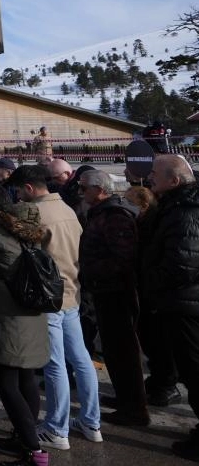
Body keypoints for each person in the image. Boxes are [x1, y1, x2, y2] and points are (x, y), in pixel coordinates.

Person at [8, 165, 101, 451]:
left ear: (28, 188)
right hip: (71, 291)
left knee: (55, 364)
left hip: (48, 296)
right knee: (81, 359)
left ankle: (56, 428)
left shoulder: (37, 214)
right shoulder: (68, 209)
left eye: (18, 191)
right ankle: (91, 421)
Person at [0, 202, 51, 466]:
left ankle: (34, 450)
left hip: (7, 322)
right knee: (26, 380)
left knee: (7, 385)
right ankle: (24, 437)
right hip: (32, 320)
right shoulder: (35, 240)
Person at [78, 169, 148, 427]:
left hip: (116, 292)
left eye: (84, 188)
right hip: (105, 290)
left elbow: (123, 258)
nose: (80, 192)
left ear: (100, 189)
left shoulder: (114, 216)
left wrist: (91, 271)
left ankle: (135, 409)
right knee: (114, 351)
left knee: (123, 351)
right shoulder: (103, 213)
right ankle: (126, 399)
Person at [145, 154, 199, 460]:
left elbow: (183, 263)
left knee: (195, 371)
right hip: (180, 301)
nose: (149, 177)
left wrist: (150, 281)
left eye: (155, 173)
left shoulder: (186, 211)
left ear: (174, 180)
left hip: (185, 305)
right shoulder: (176, 205)